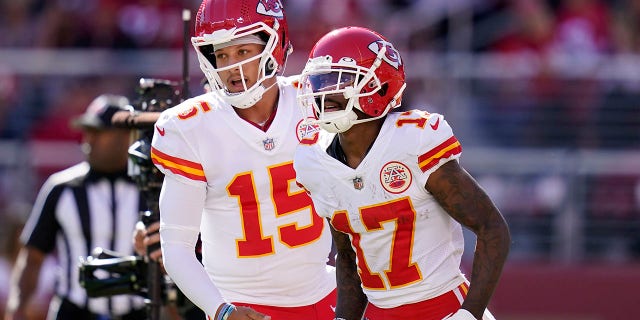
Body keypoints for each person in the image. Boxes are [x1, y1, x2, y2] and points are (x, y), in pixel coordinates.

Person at [293, 26, 511, 320]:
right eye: (320, 82)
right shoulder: (314, 158)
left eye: (338, 81)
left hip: (444, 307)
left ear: (379, 85)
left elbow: (492, 228)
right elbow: (348, 256)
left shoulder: (414, 142)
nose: (325, 93)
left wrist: (469, 314)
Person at [148, 1, 337, 320]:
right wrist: (221, 310)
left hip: (324, 291)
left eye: (242, 51)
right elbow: (177, 246)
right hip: (242, 305)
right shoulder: (191, 127)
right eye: (220, 55)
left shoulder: (313, 102)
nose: (231, 66)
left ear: (273, 45)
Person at [5, 94, 147, 320]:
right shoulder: (61, 188)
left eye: (98, 132)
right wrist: (18, 307)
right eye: (87, 131)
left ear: (125, 137)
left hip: (136, 312)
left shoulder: (149, 189)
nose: (87, 140)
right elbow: (32, 258)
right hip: (75, 311)